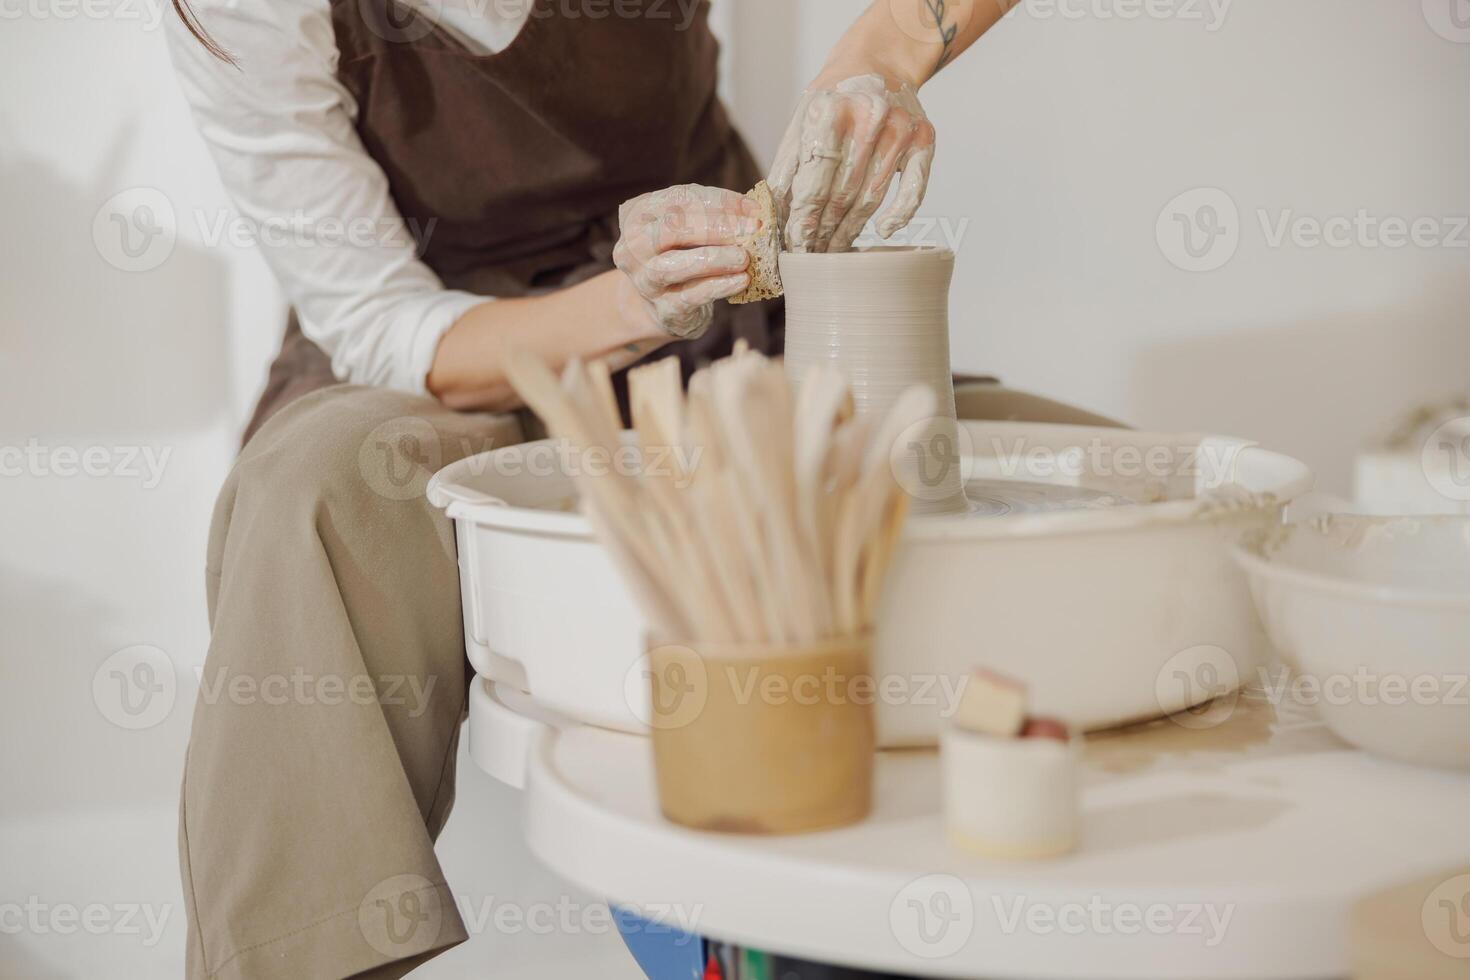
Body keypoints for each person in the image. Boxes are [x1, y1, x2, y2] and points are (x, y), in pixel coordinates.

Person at [166, 1, 1006, 976]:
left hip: (717, 320)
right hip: (450, 362)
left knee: (1027, 473)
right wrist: (630, 303)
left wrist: (886, 53)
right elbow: (379, 321)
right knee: (311, 496)